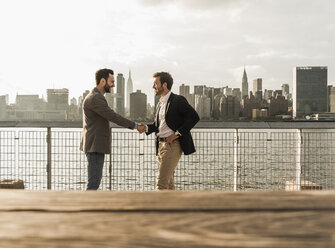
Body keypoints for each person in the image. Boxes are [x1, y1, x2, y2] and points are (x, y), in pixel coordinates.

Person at [80, 68, 144, 190]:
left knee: (94, 182)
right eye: (112, 81)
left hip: (94, 145)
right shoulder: (96, 98)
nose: (114, 85)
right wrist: (135, 126)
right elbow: (113, 116)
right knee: (93, 184)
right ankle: (87, 208)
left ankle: (88, 207)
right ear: (103, 81)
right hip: (95, 146)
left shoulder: (95, 96)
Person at [143, 72, 199, 190]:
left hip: (172, 146)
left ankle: (160, 208)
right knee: (168, 185)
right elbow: (158, 125)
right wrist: (146, 128)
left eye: (155, 83)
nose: (153, 86)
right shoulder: (160, 103)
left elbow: (194, 117)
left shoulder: (178, 100)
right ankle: (176, 207)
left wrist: (176, 134)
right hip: (160, 146)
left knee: (161, 183)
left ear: (164, 84)